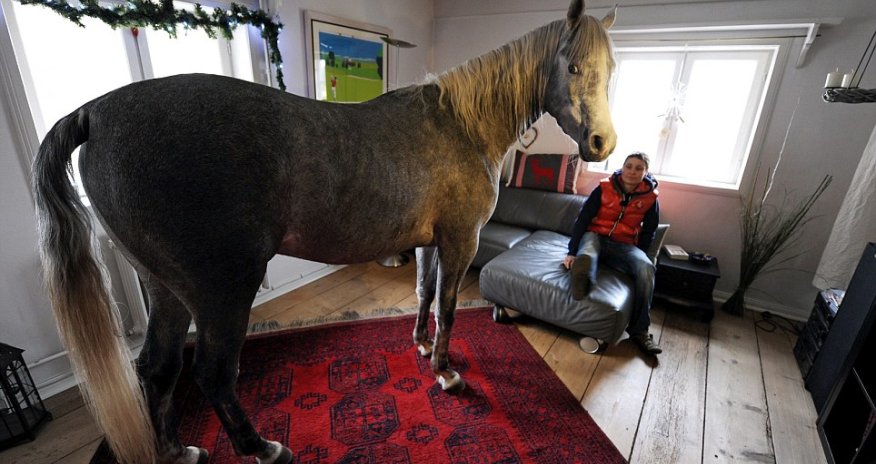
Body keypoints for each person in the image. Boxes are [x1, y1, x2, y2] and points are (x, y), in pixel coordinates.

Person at [562, 152, 662, 355]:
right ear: (622, 167)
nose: (632, 171)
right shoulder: (604, 187)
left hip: (623, 246)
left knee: (645, 268)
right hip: (595, 236)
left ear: (646, 172)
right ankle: (582, 277)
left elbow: (649, 231)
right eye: (629, 166)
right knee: (587, 254)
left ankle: (640, 332)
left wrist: (639, 258)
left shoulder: (651, 199)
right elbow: (583, 219)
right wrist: (571, 251)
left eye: (638, 168)